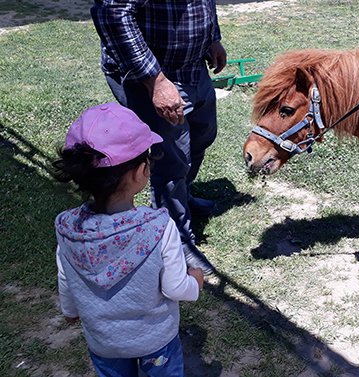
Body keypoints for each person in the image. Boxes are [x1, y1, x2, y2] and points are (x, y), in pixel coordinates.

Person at [53, 103, 205, 376]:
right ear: (140, 171)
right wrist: (195, 280)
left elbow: (65, 277)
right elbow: (175, 288)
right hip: (156, 340)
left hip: (103, 343)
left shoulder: (67, 227)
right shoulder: (159, 226)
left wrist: (70, 310)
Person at [90, 0, 228, 274]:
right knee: (171, 158)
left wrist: (213, 38)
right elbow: (112, 13)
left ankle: (181, 198)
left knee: (203, 133)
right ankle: (176, 239)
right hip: (149, 76)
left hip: (191, 68)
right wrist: (155, 81)